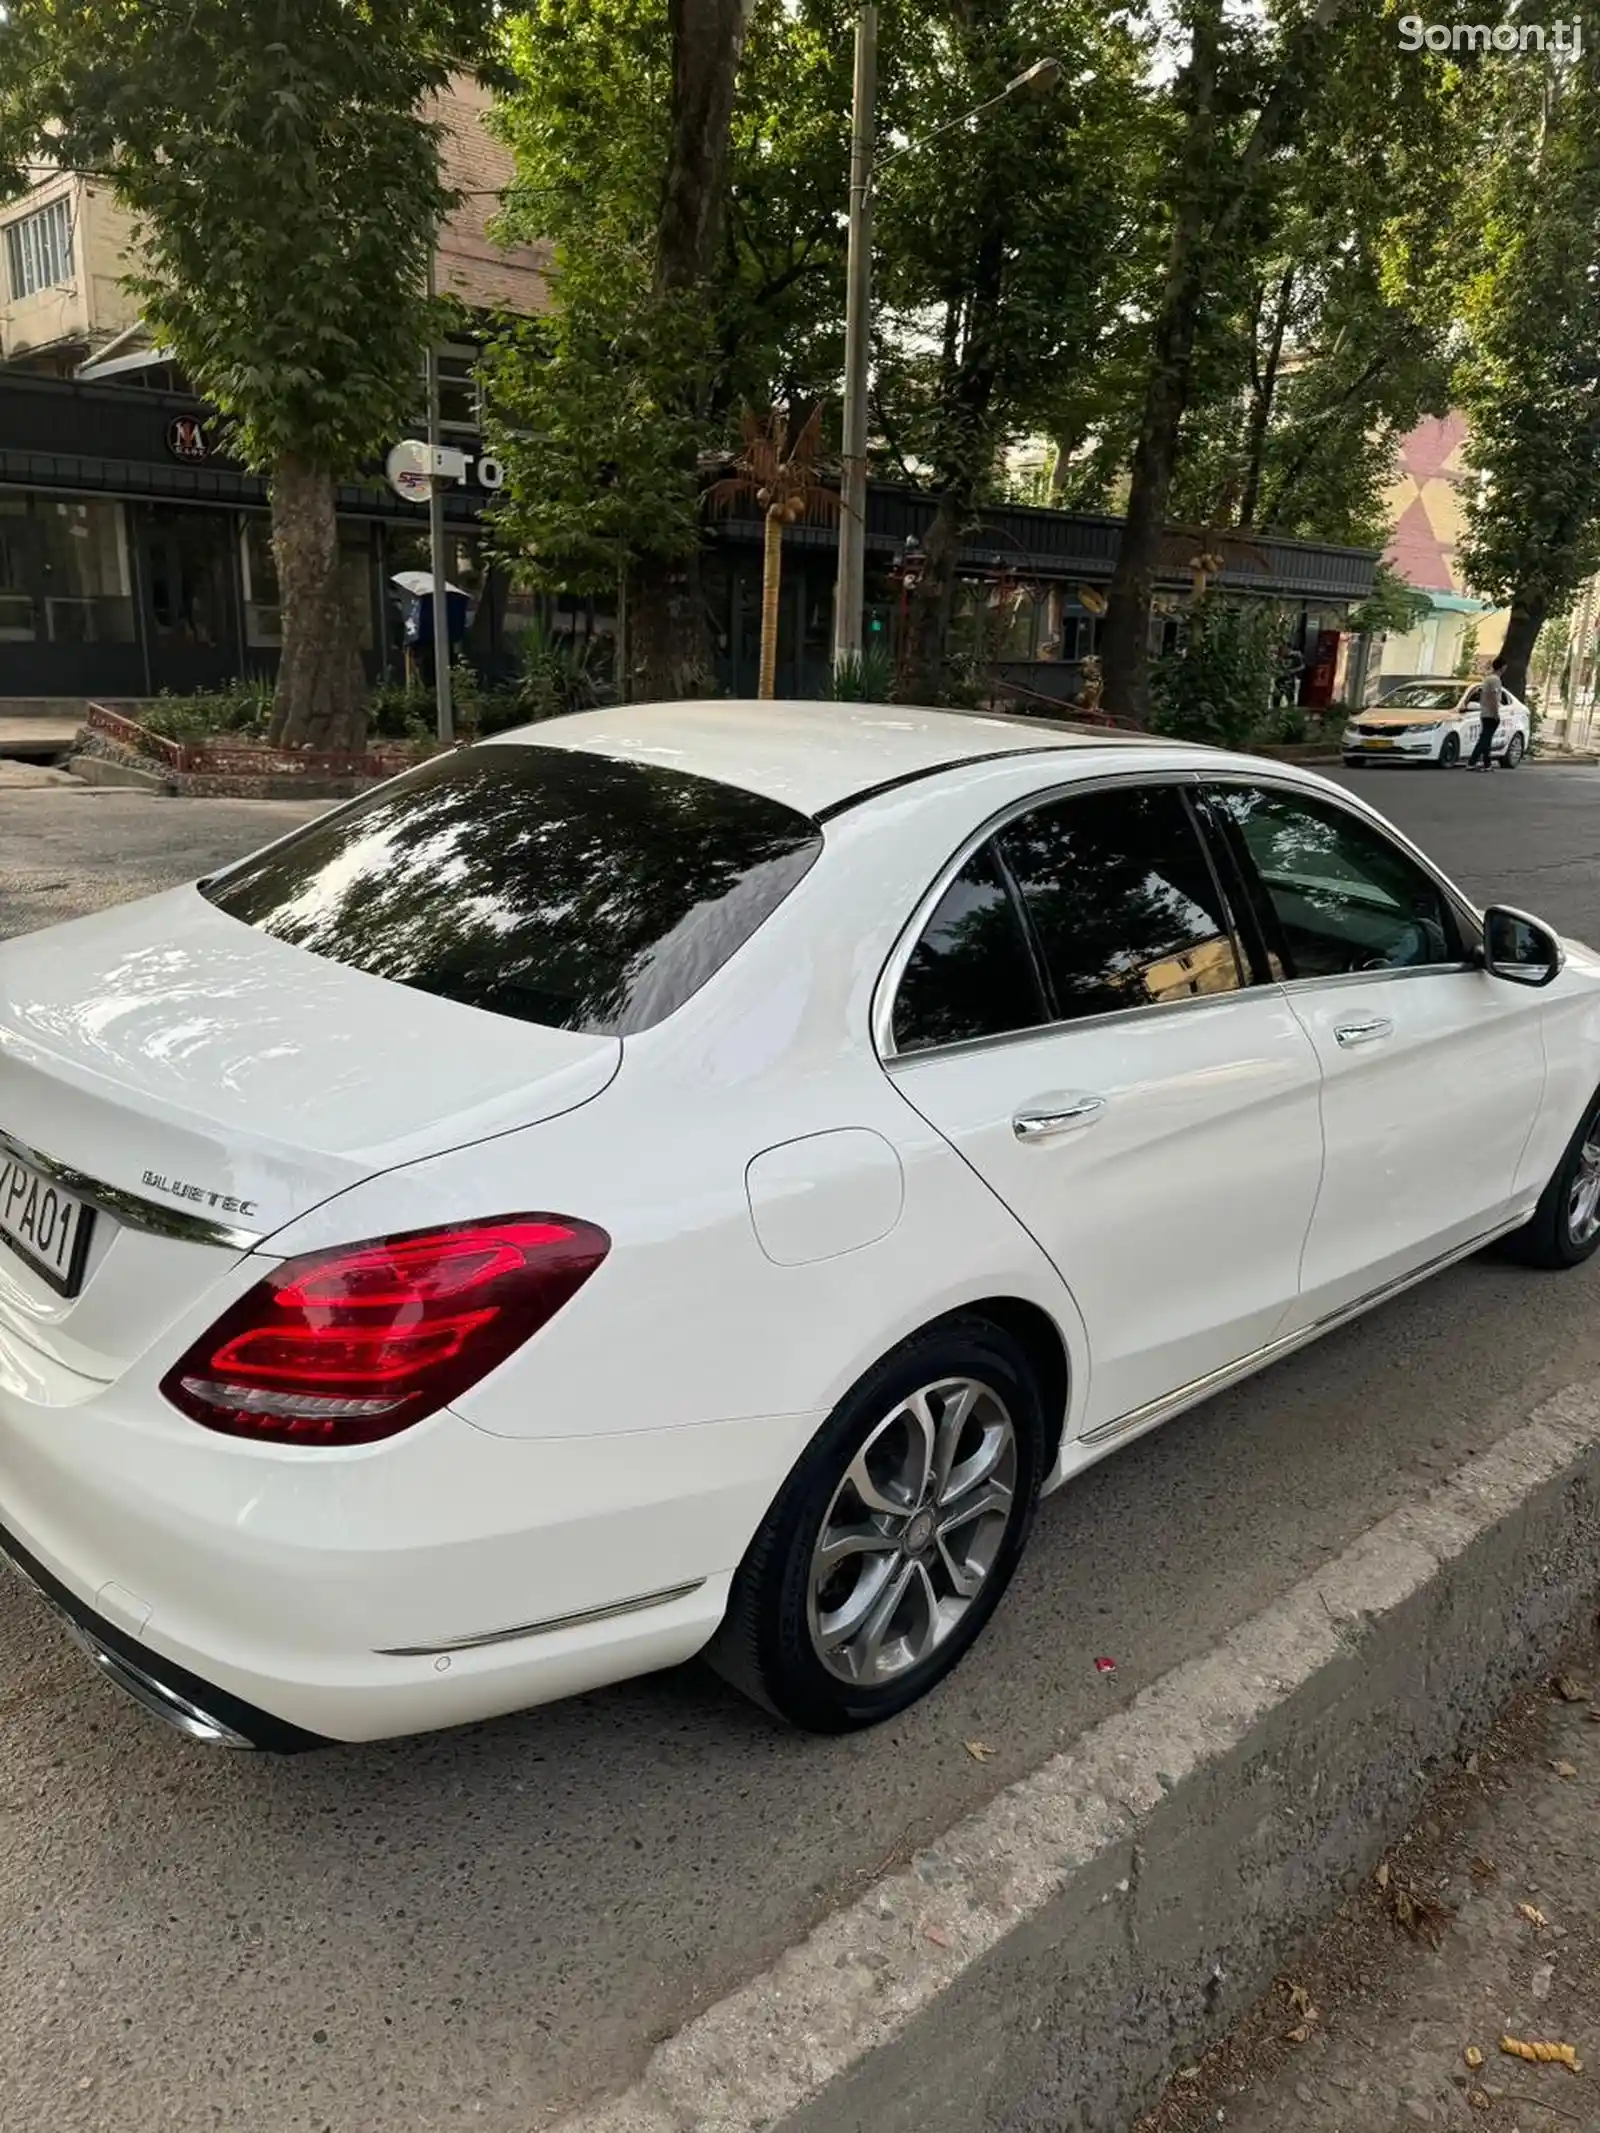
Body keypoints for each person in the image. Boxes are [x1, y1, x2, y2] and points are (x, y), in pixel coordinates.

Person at [1468, 654, 1508, 769]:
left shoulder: (1488, 679)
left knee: (1486, 738)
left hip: (1485, 712)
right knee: (1485, 739)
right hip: (1490, 714)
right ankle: (1472, 761)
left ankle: (1486, 763)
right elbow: (1494, 697)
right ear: (1503, 667)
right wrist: (1496, 713)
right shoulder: (1495, 680)